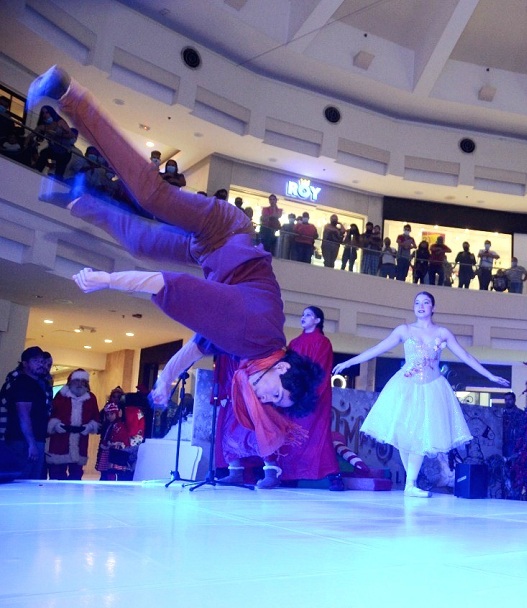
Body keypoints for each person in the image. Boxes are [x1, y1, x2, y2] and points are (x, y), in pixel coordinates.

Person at [28, 66, 323, 459]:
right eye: (277, 395)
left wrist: (166, 379)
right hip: (222, 231)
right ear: (283, 370)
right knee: (151, 196)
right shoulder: (252, 334)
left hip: (207, 251)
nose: (267, 399)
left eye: (274, 404)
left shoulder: (259, 347)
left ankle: (77, 197)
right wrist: (106, 280)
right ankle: (68, 94)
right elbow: (168, 286)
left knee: (140, 241)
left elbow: (199, 346)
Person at [332, 291, 509, 497]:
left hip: (432, 389)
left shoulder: (442, 333)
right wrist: (348, 362)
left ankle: (410, 484)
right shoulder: (405, 330)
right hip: (406, 387)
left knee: (419, 436)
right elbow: (377, 349)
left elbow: (466, 356)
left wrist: (490, 376)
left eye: (425, 303)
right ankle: (411, 484)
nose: (421, 306)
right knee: (406, 435)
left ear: (433, 307)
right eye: (417, 302)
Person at [285, 306, 342, 489]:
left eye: (308, 315)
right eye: (302, 315)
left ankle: (333, 475)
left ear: (317, 320)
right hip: (294, 397)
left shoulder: (323, 342)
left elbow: (321, 370)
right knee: (292, 434)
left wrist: (309, 394)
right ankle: (289, 475)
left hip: (313, 397)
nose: (303, 317)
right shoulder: (293, 343)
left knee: (317, 434)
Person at [0, 347, 52, 479]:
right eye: (35, 361)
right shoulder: (23, 383)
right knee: (23, 484)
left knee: (30, 483)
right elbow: (23, 416)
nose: (40, 364)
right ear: (25, 363)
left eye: (42, 361)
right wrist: (32, 444)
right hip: (23, 442)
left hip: (32, 441)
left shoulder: (37, 384)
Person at [46, 369, 101, 480]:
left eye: (83, 381)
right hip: (60, 440)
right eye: (77, 381)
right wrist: (55, 425)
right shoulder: (61, 396)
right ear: (71, 381)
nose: (80, 384)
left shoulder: (91, 398)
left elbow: (96, 417)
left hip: (80, 441)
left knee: (76, 475)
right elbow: (51, 414)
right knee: (57, 474)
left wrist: (90, 426)